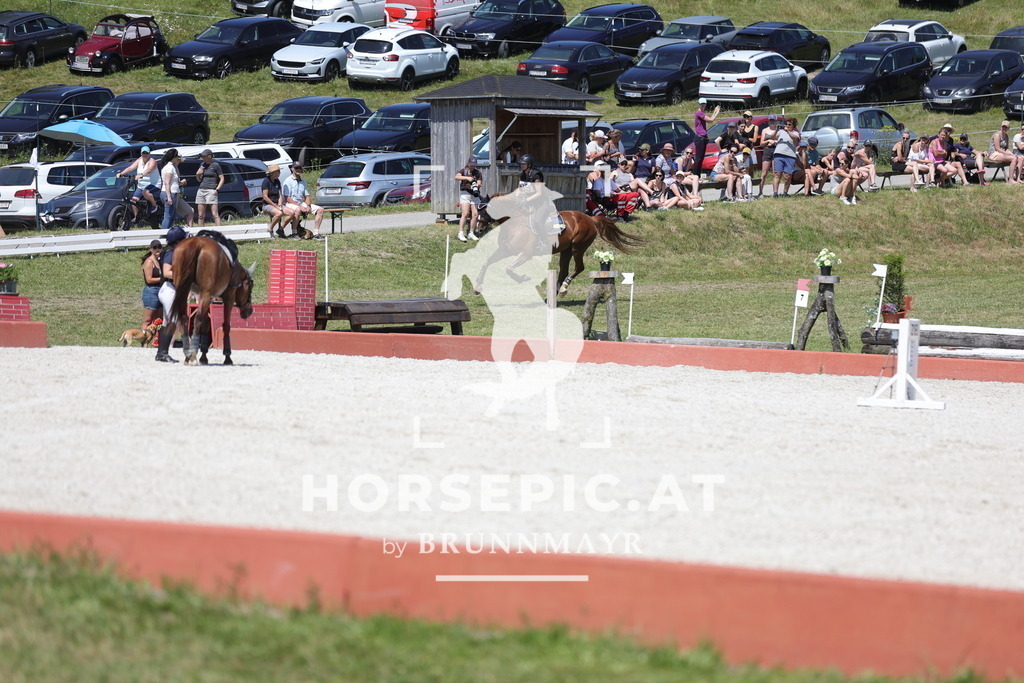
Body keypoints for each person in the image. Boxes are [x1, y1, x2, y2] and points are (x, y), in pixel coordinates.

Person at [155, 225, 188, 363]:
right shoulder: (170, 252)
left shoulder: (175, 251)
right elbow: (167, 272)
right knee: (172, 322)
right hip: (169, 289)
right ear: (177, 241)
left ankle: (160, 353)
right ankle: (163, 353)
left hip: (170, 289)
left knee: (167, 322)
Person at [116, 146, 160, 222]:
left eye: (147, 153)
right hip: (141, 186)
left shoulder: (152, 161)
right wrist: (121, 173)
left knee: (145, 192)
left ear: (149, 154)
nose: (145, 154)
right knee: (134, 200)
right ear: (141, 153)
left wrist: (141, 175)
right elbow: (130, 168)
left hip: (154, 184)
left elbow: (149, 169)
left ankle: (154, 206)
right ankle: (137, 217)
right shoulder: (139, 160)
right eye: (143, 153)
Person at [281, 162, 324, 239]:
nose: (298, 169)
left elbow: (307, 196)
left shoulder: (303, 181)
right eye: (296, 168)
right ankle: (294, 233)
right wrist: (300, 207)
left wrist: (308, 206)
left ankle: (316, 233)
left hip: (301, 203)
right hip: (289, 204)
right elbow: (287, 198)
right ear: (292, 169)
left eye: (300, 167)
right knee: (298, 210)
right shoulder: (288, 181)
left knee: (320, 209)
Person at [159, 149, 194, 232]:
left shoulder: (171, 167)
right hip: (170, 193)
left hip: (173, 192)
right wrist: (169, 197)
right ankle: (163, 233)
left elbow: (172, 182)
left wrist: (181, 183)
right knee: (168, 216)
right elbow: (167, 183)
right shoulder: (169, 168)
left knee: (172, 216)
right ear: (174, 157)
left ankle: (168, 232)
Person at [455, 156, 483, 242]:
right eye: (471, 165)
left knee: (475, 214)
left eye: (474, 165)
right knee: (465, 213)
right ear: (468, 163)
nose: (473, 166)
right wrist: (467, 178)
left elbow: (479, 182)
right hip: (465, 193)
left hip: (474, 194)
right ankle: (460, 233)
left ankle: (471, 232)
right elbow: (457, 177)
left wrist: (477, 185)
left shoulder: (478, 173)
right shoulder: (463, 171)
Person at [261, 164, 293, 238]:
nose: (280, 173)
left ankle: (280, 229)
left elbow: (280, 195)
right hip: (267, 204)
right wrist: (275, 206)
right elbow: (265, 197)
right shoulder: (266, 181)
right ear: (274, 172)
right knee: (279, 213)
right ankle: (270, 229)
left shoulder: (277, 181)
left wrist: (280, 204)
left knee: (291, 212)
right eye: (278, 171)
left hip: (277, 204)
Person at [195, 149, 224, 228]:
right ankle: (201, 232)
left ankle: (219, 232)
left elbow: (222, 178)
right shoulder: (202, 165)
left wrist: (217, 189)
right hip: (201, 189)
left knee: (215, 214)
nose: (203, 158)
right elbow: (199, 180)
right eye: (202, 156)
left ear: (210, 156)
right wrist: (197, 174)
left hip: (211, 190)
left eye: (204, 156)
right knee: (200, 215)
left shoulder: (215, 165)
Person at [772, 118, 800, 197]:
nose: (787, 126)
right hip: (779, 154)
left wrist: (788, 131)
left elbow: (796, 139)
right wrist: (776, 130)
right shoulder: (781, 132)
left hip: (790, 155)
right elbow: (773, 137)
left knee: (788, 176)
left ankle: (785, 193)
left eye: (789, 125)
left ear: (793, 126)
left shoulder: (796, 133)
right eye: (786, 124)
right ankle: (775, 193)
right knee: (777, 174)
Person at [692, 97, 720, 176]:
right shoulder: (699, 113)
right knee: (698, 158)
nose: (703, 105)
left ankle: (698, 175)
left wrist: (715, 112)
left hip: (703, 137)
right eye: (701, 104)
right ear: (699, 104)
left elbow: (710, 119)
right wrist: (716, 112)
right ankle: (695, 175)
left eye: (704, 104)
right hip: (700, 137)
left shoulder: (703, 113)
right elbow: (711, 120)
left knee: (701, 158)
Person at [141, 239, 162, 329]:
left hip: (160, 290)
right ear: (151, 249)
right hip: (151, 292)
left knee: (158, 319)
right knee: (148, 320)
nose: (157, 249)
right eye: (155, 247)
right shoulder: (149, 261)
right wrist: (163, 279)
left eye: (159, 247)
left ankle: (155, 337)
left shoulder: (159, 261)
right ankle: (143, 336)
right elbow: (149, 280)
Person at [758, 114, 780, 196]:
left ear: (776, 121)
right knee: (764, 172)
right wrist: (768, 141)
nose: (772, 121)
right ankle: (760, 192)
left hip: (776, 150)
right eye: (771, 120)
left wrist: (775, 142)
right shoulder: (765, 130)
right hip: (767, 150)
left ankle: (775, 192)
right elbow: (761, 143)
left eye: (773, 120)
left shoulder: (779, 130)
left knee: (775, 173)